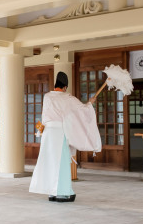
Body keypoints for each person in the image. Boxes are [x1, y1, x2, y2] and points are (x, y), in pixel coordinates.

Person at [29, 72, 102, 202]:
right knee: (61, 162)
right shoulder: (67, 98)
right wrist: (90, 103)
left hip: (47, 133)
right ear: (65, 87)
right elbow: (82, 110)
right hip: (59, 132)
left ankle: (52, 192)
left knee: (49, 161)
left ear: (56, 85)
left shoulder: (47, 97)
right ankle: (62, 193)